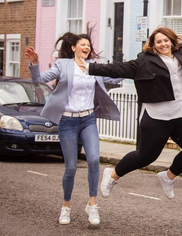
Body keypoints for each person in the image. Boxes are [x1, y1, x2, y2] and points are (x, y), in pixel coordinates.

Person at [86, 6, 182, 202]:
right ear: (152, 44)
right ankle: (112, 175)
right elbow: (117, 68)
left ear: (172, 41)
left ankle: (168, 177)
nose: (163, 44)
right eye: (158, 41)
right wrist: (89, 67)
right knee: (146, 157)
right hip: (156, 118)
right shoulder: (144, 61)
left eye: (166, 40)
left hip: (180, 116)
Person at [25, 30, 122, 226]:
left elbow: (116, 79)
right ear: (73, 48)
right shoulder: (64, 65)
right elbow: (39, 80)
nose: (86, 47)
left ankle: (92, 205)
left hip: (88, 119)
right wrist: (35, 63)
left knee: (94, 160)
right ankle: (66, 207)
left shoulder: (93, 68)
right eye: (83, 44)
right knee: (71, 167)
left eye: (88, 45)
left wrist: (137, 68)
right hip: (67, 121)